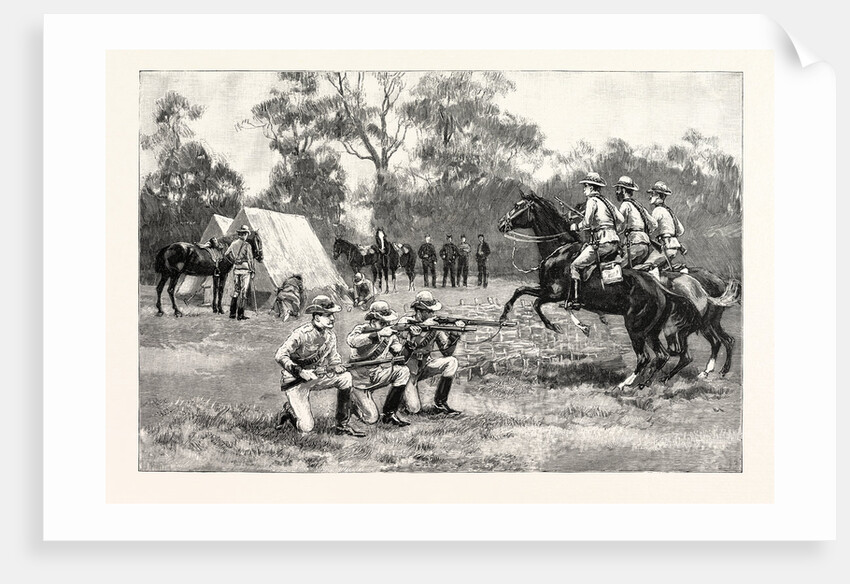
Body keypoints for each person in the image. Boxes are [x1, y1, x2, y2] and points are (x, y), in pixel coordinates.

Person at [274, 295, 376, 437]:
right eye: (328, 315)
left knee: (345, 377)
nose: (333, 319)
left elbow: (333, 358)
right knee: (306, 427)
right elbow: (280, 355)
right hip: (296, 380)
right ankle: (289, 412)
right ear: (316, 318)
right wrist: (299, 371)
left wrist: (337, 365)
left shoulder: (330, 336)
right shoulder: (301, 334)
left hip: (317, 377)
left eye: (332, 315)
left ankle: (342, 425)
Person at [346, 301, 413, 427]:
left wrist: (410, 341)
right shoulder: (361, 330)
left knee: (403, 371)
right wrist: (378, 334)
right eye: (382, 323)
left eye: (387, 323)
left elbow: (401, 357)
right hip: (360, 381)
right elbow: (353, 341)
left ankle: (390, 413)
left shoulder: (390, 335)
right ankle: (353, 403)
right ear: (372, 321)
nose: (386, 326)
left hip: (378, 374)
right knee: (371, 418)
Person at [398, 291, 463, 416]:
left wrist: (455, 334)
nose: (432, 314)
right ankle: (401, 396)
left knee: (452, 362)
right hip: (407, 371)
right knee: (414, 409)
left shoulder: (435, 326)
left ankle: (440, 403)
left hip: (424, 366)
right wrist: (422, 328)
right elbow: (401, 353)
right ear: (419, 311)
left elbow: (446, 351)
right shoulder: (405, 322)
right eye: (429, 311)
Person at [567, 172, 624, 309]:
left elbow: (586, 223)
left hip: (602, 244)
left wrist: (576, 226)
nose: (584, 189)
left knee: (575, 265)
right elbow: (621, 221)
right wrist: (611, 230)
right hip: (614, 242)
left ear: (592, 188)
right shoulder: (608, 202)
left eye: (585, 186)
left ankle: (577, 300)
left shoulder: (592, 201)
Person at [614, 176, 657, 267]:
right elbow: (654, 224)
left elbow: (620, 227)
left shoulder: (625, 205)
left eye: (618, 189)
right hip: (645, 246)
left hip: (634, 246)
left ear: (624, 190)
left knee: (617, 269)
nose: (616, 192)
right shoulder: (639, 206)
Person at [646, 181, 687, 272]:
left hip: (664, 248)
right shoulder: (669, 211)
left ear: (659, 196)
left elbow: (651, 227)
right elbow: (680, 230)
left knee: (645, 267)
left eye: (652, 194)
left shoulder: (657, 210)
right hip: (674, 248)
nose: (650, 196)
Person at [224, 225, 255, 320]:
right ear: (244, 234)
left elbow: (226, 254)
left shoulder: (233, 243)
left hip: (236, 269)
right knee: (243, 292)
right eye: (246, 234)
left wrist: (234, 260)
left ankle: (232, 313)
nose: (246, 236)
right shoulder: (247, 245)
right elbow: (250, 259)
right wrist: (252, 270)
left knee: (236, 291)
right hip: (245, 270)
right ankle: (240, 315)